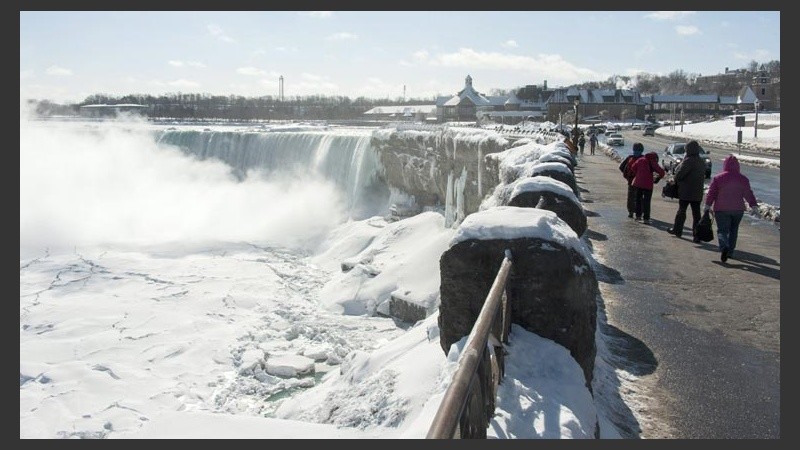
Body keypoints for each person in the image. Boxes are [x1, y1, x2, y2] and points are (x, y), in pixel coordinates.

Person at [704, 154, 759, 262]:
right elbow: (748, 193)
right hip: (738, 210)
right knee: (734, 230)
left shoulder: (718, 178)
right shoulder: (743, 179)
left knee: (722, 230)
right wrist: (753, 205)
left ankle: (724, 246)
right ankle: (730, 252)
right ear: (738, 166)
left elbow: (712, 193)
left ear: (725, 165)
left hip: (721, 209)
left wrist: (707, 205)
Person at [667, 140, 707, 241]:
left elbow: (680, 174)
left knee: (681, 211)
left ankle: (677, 230)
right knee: (696, 214)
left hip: (686, 191)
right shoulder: (701, 161)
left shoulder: (688, 161)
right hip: (697, 192)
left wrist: (675, 179)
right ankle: (697, 235)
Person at [628, 149, 666, 224]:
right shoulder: (653, 161)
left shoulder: (640, 160)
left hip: (638, 183)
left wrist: (638, 174)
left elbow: (633, 167)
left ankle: (638, 216)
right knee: (647, 202)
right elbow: (662, 172)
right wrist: (658, 178)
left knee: (638, 200)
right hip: (648, 185)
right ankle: (646, 218)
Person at [619, 143, 645, 218]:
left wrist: (627, 176)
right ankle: (639, 212)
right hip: (641, 182)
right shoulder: (644, 159)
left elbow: (621, 167)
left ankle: (630, 212)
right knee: (640, 197)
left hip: (631, 181)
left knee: (630, 197)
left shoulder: (630, 158)